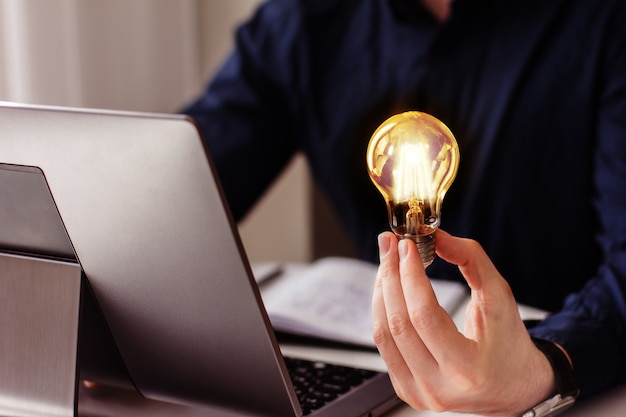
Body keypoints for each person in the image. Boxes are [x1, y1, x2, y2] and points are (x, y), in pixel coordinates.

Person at [183, 0, 626, 414]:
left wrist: (545, 360)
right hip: (382, 368)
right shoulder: (302, 20)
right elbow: (182, 181)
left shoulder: (604, 21)